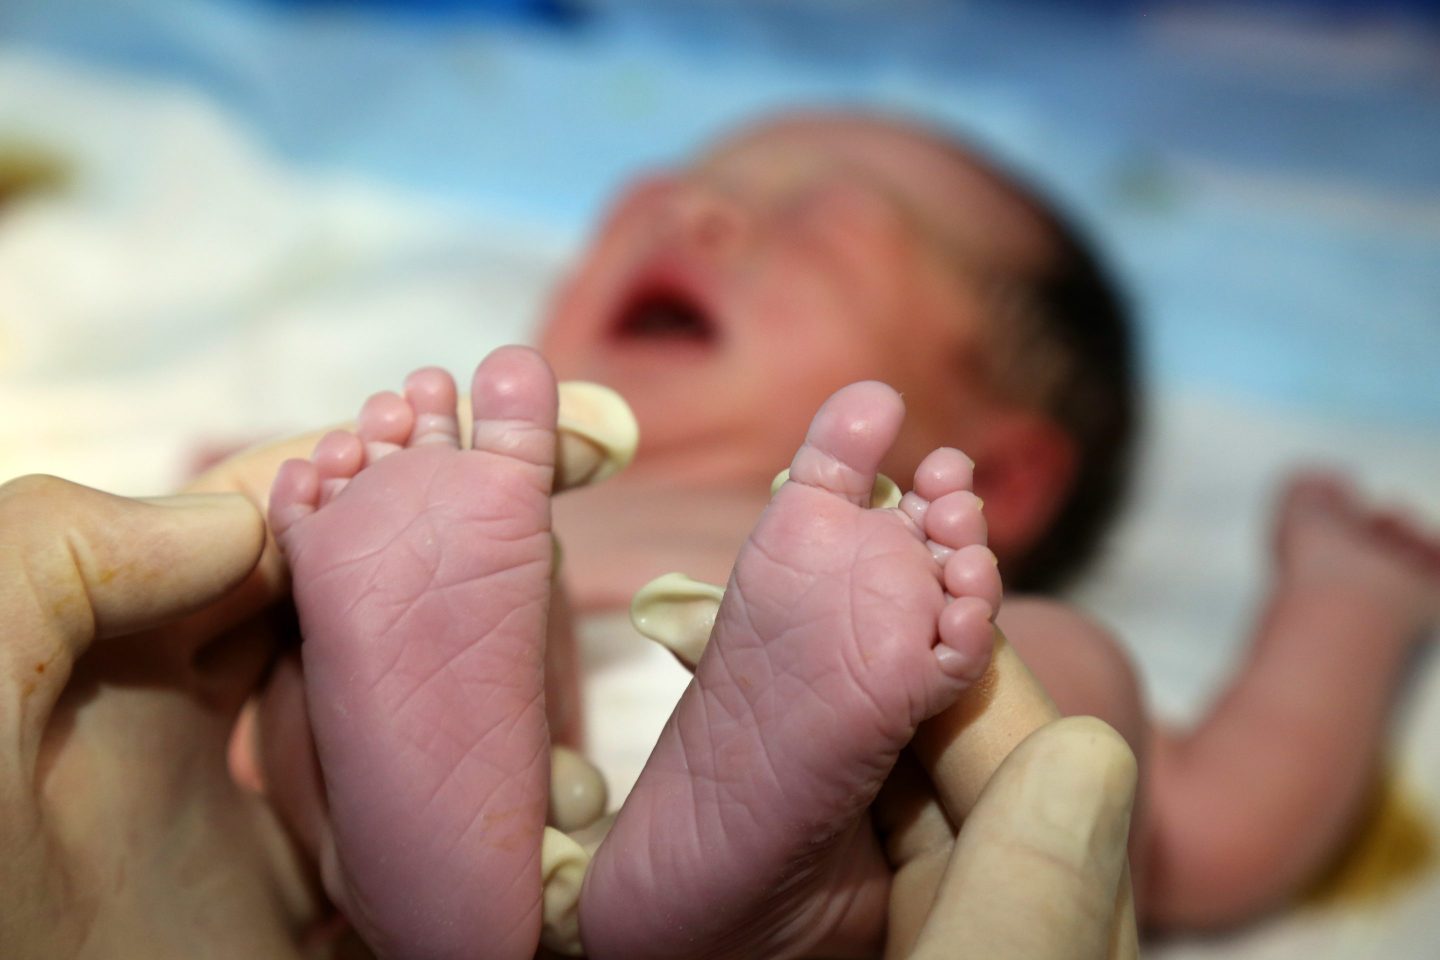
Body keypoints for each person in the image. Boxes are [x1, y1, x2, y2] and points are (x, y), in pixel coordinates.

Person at [252, 111, 1440, 958]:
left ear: (1002, 473)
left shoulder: (918, 605)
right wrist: (276, 508)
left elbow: (1222, 827)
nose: (694, 209)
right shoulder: (473, 512)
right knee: (307, 647)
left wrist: (1349, 599)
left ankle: (796, 886)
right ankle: (427, 860)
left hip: (855, 782)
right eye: (661, 191)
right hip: (490, 732)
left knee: (1046, 688)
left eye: (811, 215)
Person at [0, 473, 1139, 959]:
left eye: (815, 219)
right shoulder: (507, 500)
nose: (705, 214)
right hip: (758, 696)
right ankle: (781, 904)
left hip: (566, 731)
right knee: (1043, 693)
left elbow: (216, 512)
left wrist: (291, 509)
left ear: (1028, 464)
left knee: (307, 652)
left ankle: (388, 874)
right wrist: (1325, 589)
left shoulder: (486, 488)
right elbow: (1245, 815)